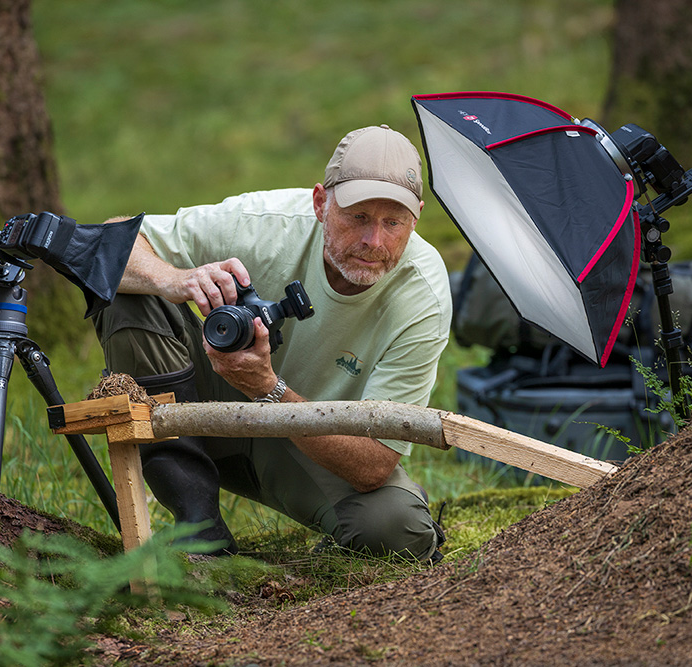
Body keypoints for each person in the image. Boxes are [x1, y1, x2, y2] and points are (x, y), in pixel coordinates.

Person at [93, 125, 451, 561]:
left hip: (316, 443)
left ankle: (391, 507)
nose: (373, 242)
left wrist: (267, 389)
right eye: (357, 216)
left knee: (397, 530)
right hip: (205, 411)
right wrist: (176, 280)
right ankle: (198, 530)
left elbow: (374, 463)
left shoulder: (423, 294)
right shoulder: (265, 224)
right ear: (320, 203)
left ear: (416, 219)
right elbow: (112, 241)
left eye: (392, 223)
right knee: (128, 294)